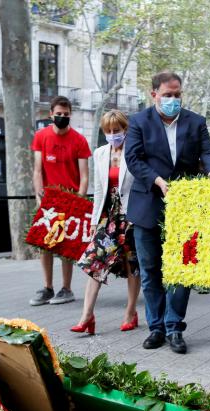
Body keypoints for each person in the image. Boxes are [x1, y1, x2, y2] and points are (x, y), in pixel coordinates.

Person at [125, 71, 210, 354]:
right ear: (154, 94)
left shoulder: (196, 122)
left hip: (186, 207)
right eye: (167, 95)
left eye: (177, 94)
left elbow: (209, 151)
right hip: (148, 204)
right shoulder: (139, 122)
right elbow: (133, 158)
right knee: (151, 269)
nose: (173, 99)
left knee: (183, 269)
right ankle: (156, 328)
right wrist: (157, 180)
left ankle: (175, 326)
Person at [72, 110, 141, 334]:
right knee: (95, 262)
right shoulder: (100, 153)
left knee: (133, 265)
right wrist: (93, 221)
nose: (113, 135)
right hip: (108, 216)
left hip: (131, 215)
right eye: (108, 131)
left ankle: (131, 313)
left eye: (117, 130)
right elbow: (99, 189)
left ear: (125, 130)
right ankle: (86, 316)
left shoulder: (135, 150)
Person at [29, 95, 91, 306]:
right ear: (51, 114)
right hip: (48, 198)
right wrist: (39, 197)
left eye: (66, 114)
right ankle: (47, 287)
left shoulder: (79, 140)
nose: (62, 117)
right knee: (44, 245)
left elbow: (84, 175)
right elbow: (37, 170)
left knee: (66, 246)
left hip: (70, 197)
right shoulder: (41, 137)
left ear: (70, 115)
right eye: (59, 114)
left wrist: (79, 202)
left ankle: (66, 288)